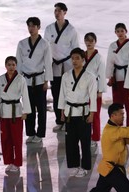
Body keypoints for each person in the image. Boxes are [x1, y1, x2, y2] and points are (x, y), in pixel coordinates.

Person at [58, 47, 97, 177]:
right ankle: (73, 165)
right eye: (72, 58)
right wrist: (62, 112)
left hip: (83, 112)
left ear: (83, 60)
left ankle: (85, 166)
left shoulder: (89, 77)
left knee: (85, 141)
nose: (74, 61)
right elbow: (62, 95)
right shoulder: (66, 76)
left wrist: (92, 114)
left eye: (77, 58)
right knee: (71, 141)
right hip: (69, 112)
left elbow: (93, 96)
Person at [0, 56, 31, 173]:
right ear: (5, 66)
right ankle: (8, 161)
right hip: (4, 111)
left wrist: (25, 112)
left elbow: (25, 96)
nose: (11, 67)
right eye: (9, 65)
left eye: (13, 65)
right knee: (5, 139)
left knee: (17, 139)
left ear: (16, 66)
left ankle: (17, 163)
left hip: (16, 112)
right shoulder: (0, 79)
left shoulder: (20, 79)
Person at [44, 2, 80, 132]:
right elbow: (46, 48)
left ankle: (69, 119)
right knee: (56, 93)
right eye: (55, 11)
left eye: (59, 11)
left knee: (68, 93)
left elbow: (76, 49)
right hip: (54, 65)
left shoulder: (71, 30)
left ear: (65, 12)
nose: (57, 13)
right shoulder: (49, 29)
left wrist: (77, 67)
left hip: (68, 65)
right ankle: (59, 120)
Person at [16, 17, 53, 144]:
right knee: (28, 107)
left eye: (33, 26)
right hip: (26, 80)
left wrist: (47, 80)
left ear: (38, 27)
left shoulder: (44, 44)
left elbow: (48, 63)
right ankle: (30, 133)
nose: (31, 29)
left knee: (41, 109)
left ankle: (40, 133)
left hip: (39, 80)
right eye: (29, 26)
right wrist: (18, 79)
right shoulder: (22, 43)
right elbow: (19, 62)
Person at [106, 23, 129, 126]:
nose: (120, 33)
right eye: (118, 31)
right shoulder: (112, 46)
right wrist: (110, 76)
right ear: (115, 32)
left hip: (128, 77)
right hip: (116, 77)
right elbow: (110, 61)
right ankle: (117, 127)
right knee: (117, 105)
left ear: (126, 31)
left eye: (122, 31)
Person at [83, 32, 107, 147]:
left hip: (95, 89)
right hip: (83, 89)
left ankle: (96, 137)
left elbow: (101, 75)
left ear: (95, 42)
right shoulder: (82, 56)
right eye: (87, 40)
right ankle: (86, 135)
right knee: (85, 113)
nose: (89, 43)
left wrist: (100, 91)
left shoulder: (99, 58)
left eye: (91, 41)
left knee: (95, 114)